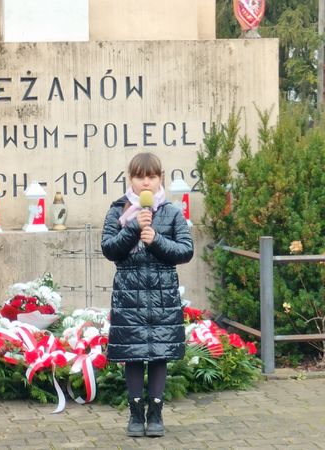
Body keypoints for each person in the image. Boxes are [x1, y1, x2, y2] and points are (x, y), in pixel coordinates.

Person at [100, 152, 194, 438]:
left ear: (160, 178)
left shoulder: (172, 212)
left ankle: (155, 414)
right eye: (140, 177)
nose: (146, 183)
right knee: (133, 354)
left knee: (158, 355)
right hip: (129, 296)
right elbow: (109, 249)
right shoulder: (118, 210)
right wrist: (133, 227)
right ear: (131, 179)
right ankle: (135, 413)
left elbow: (185, 251)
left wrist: (156, 240)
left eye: (151, 177)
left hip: (162, 297)